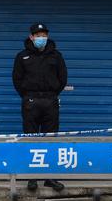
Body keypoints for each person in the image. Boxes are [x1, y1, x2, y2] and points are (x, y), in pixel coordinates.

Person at [12, 23, 68, 192]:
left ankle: (50, 177)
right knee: (31, 139)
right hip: (30, 102)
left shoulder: (56, 56)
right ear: (31, 37)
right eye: (38, 35)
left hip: (50, 101)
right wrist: (27, 96)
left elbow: (62, 78)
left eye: (43, 35)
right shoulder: (22, 56)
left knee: (50, 140)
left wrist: (52, 94)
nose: (41, 38)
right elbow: (17, 79)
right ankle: (32, 177)